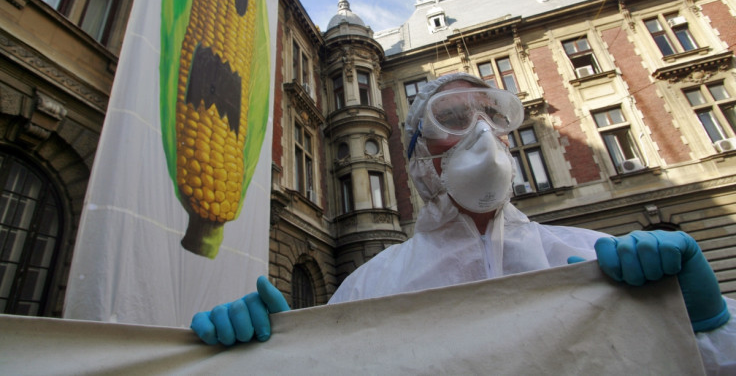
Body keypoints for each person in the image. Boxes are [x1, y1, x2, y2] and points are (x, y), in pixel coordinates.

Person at [192, 73, 736, 373]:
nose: (481, 132)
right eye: (451, 120)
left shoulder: (596, 256)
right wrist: (281, 359)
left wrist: (708, 324)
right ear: (418, 158)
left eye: (494, 117)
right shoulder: (369, 287)